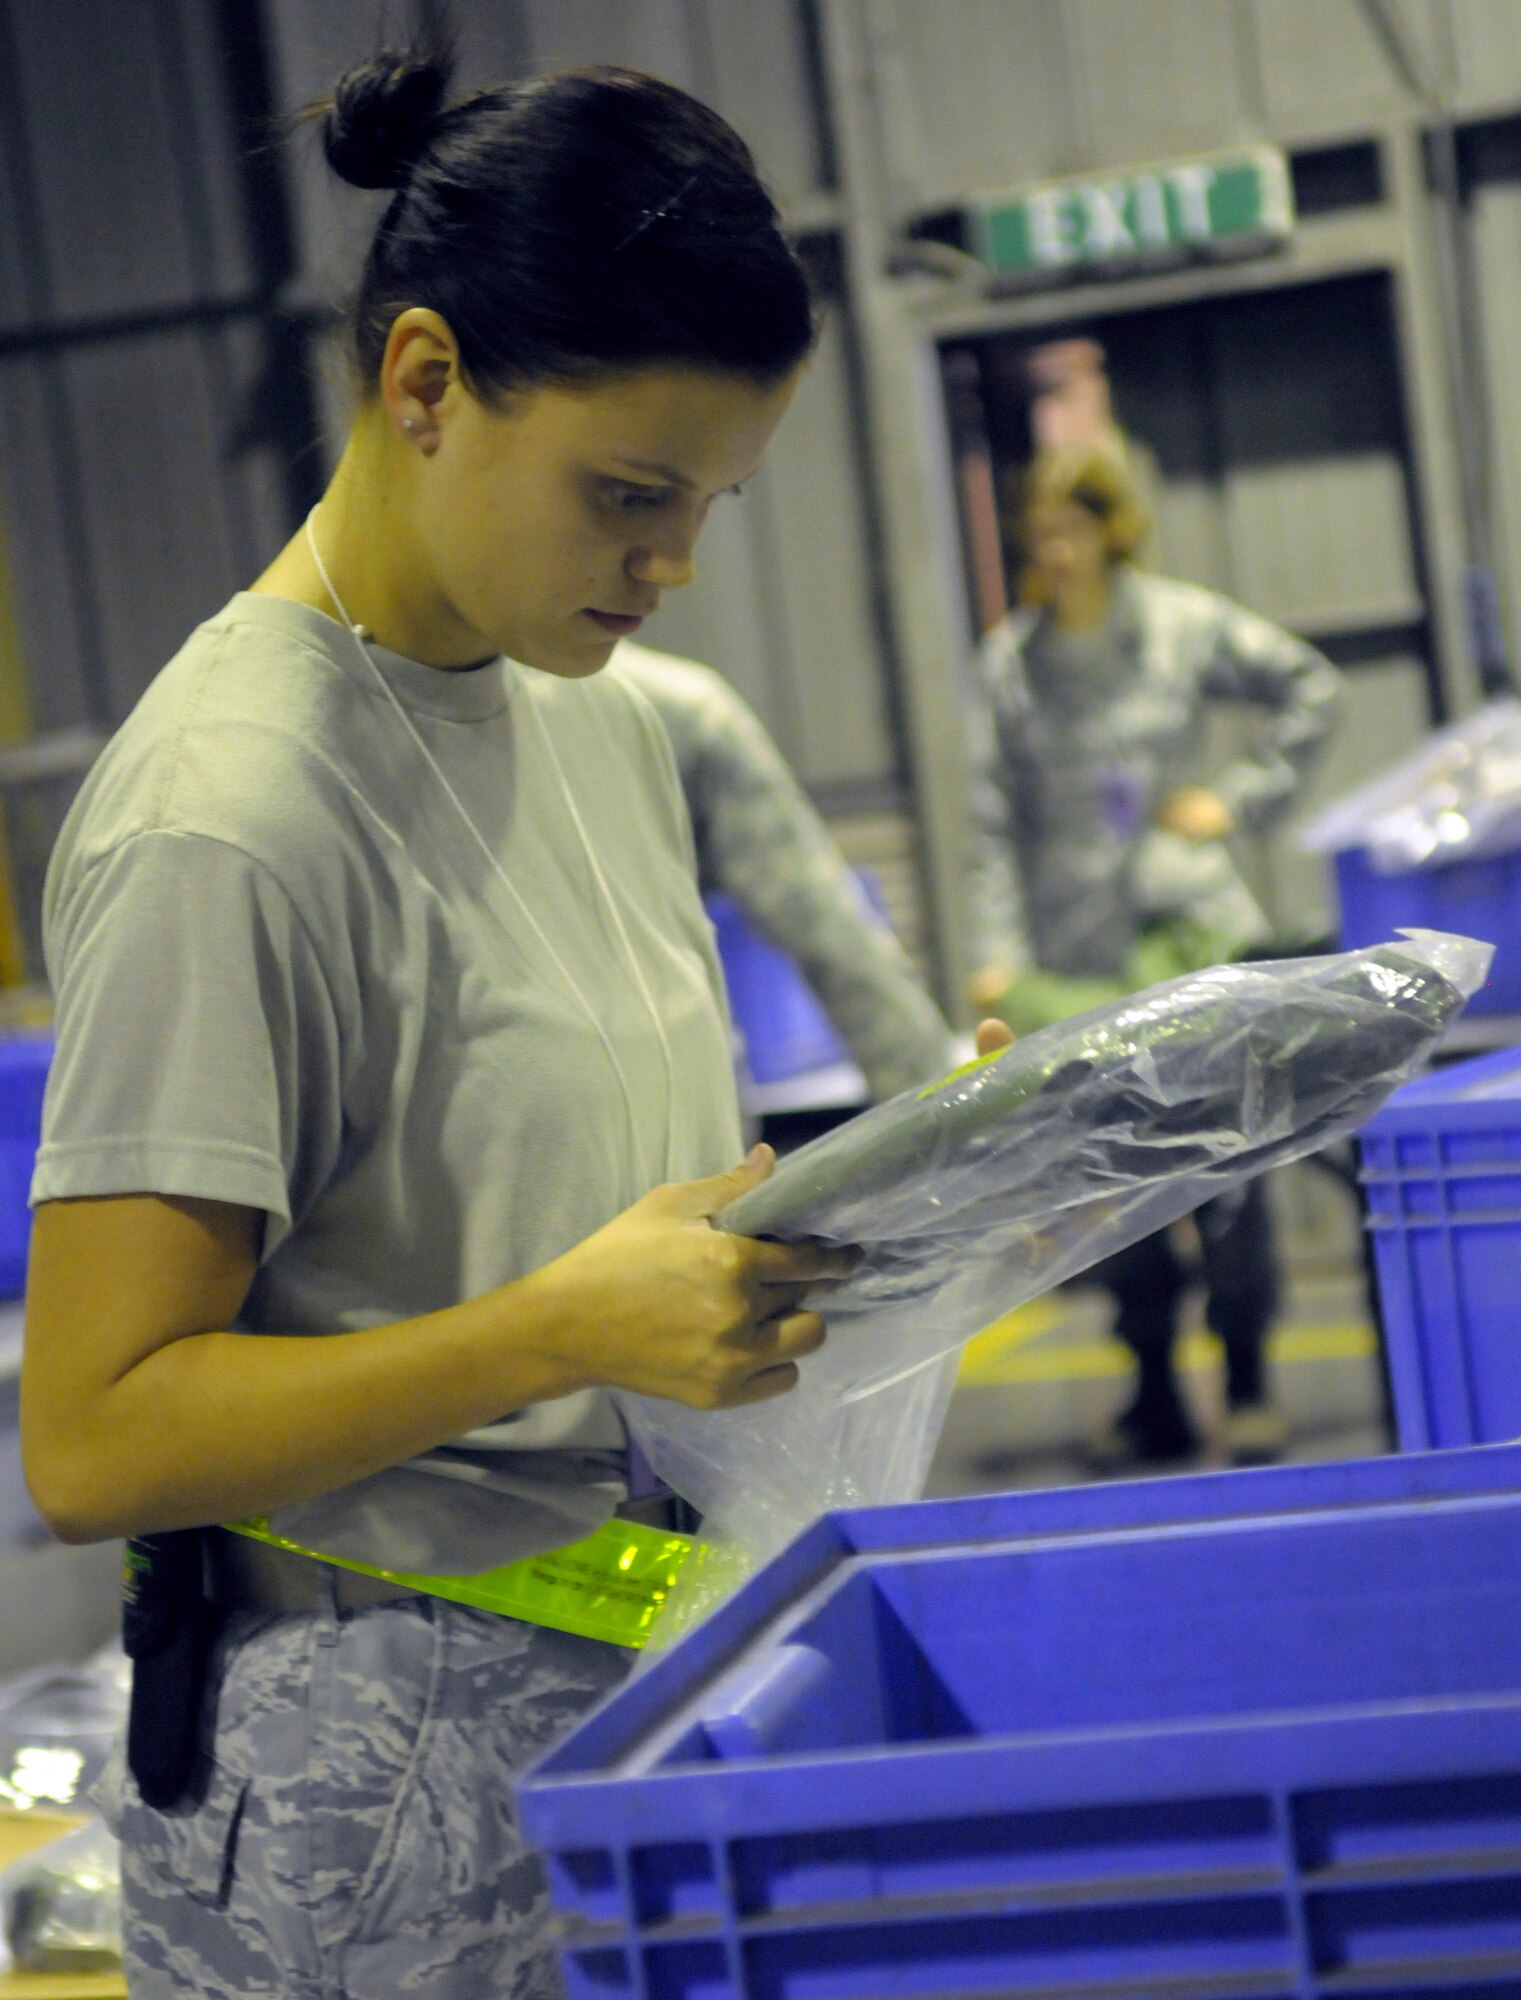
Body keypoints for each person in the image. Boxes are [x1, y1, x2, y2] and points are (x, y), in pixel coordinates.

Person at [18, 45, 1011, 1999]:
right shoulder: (226, 816)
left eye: (711, 499)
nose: (673, 563)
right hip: (355, 1822)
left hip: (643, 1702)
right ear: (421, 384)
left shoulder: (613, 725)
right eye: (630, 494)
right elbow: (93, 1433)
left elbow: (621, 1228)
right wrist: (554, 1329)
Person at [967, 446, 1341, 1469]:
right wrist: (996, 957)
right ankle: (1153, 1390)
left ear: (1109, 528)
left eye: (1068, 527)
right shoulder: (1011, 664)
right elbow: (991, 822)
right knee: (1115, 1182)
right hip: (1077, 956)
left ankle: (1252, 1379)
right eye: (1036, 531)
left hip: (1192, 938)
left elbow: (1310, 686)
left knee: (1231, 1171)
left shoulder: (1182, 626)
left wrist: (1237, 799)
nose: (1051, 549)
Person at [610, 643, 955, 1100]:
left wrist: (935, 1103)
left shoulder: (674, 713)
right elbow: (824, 923)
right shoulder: (676, 710)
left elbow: (822, 924)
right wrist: (945, 1118)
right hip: (677, 1105)